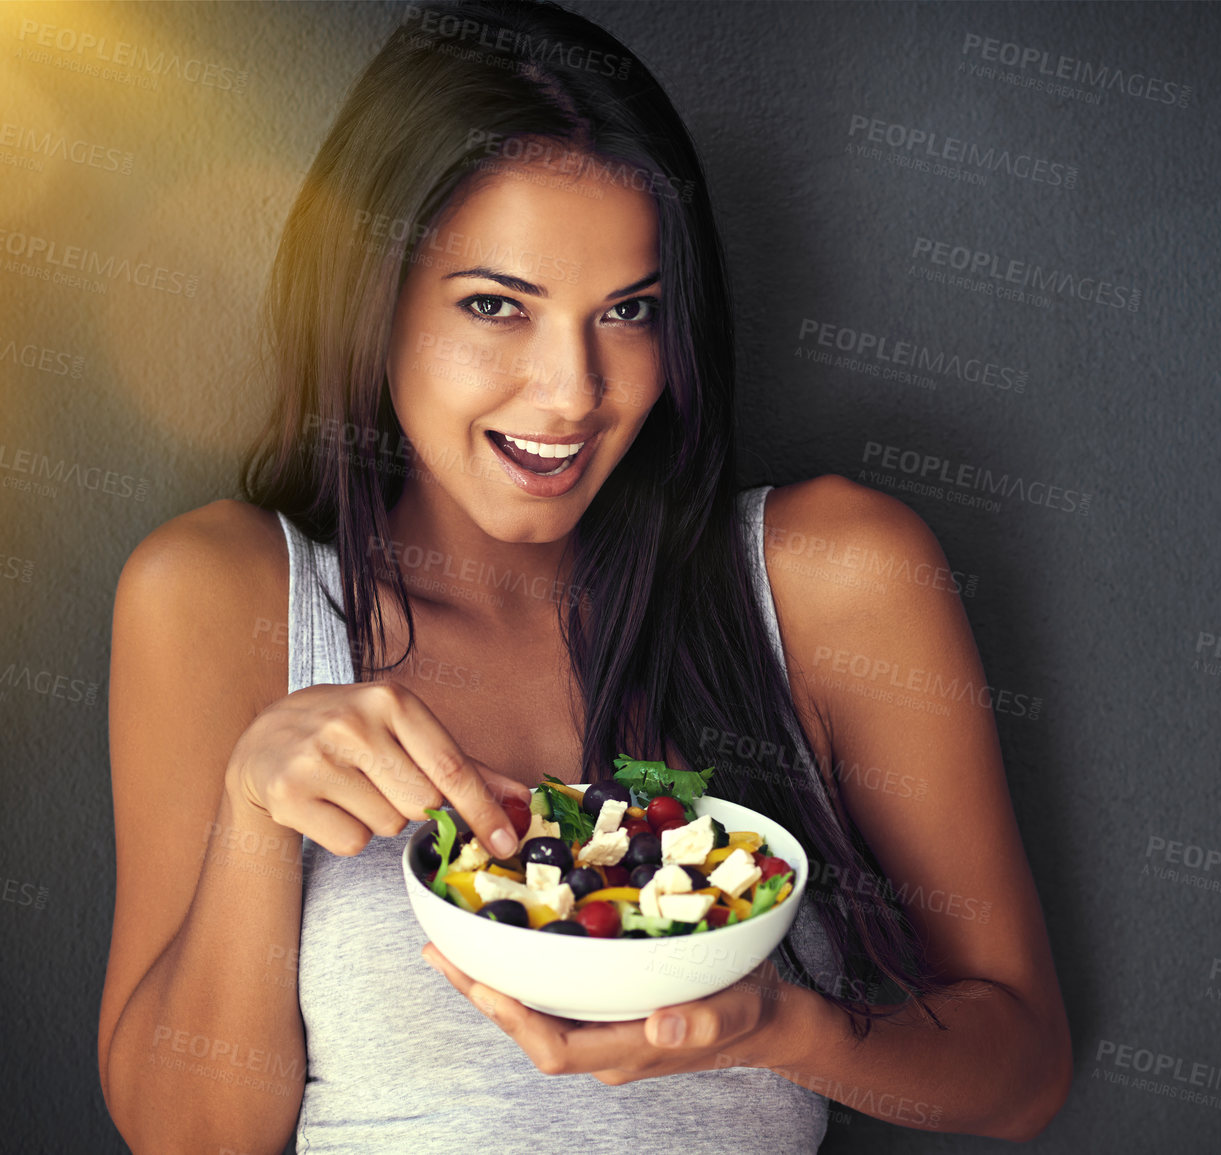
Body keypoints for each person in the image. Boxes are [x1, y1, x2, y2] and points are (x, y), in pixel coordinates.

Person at [96, 2, 1070, 1150]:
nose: (573, 391)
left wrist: (776, 1026)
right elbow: (185, 1140)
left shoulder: (833, 580)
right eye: (496, 306)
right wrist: (252, 812)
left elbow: (1019, 1071)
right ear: (373, 297)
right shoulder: (220, 595)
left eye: (629, 312)